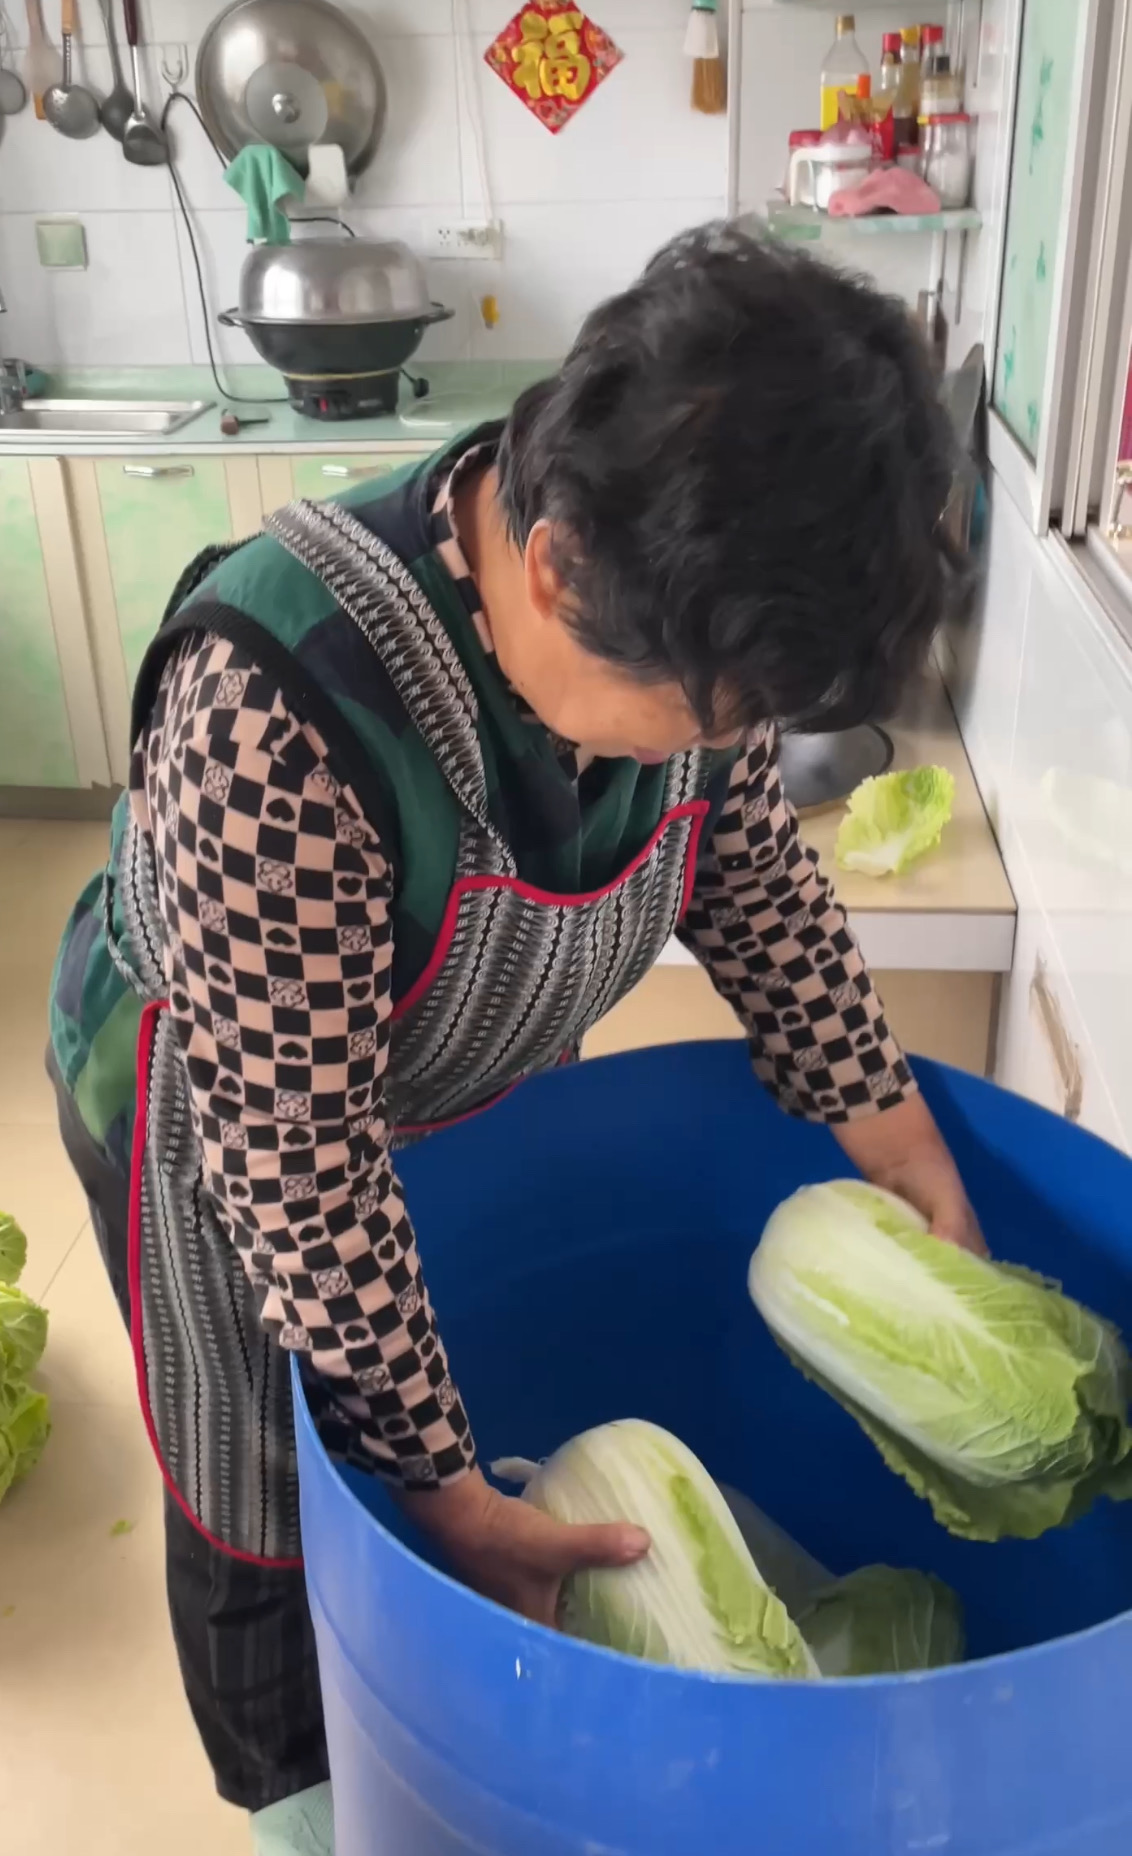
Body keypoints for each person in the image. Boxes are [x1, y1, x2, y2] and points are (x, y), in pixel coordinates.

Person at [48, 224, 980, 1853]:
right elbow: (305, 1177)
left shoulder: (665, 601)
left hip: (430, 1085)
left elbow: (751, 875)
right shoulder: (274, 706)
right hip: (224, 1119)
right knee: (276, 1490)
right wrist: (440, 1492)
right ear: (550, 570)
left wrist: (894, 1134)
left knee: (452, 1397)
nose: (726, 752)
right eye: (711, 718)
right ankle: (311, 1808)